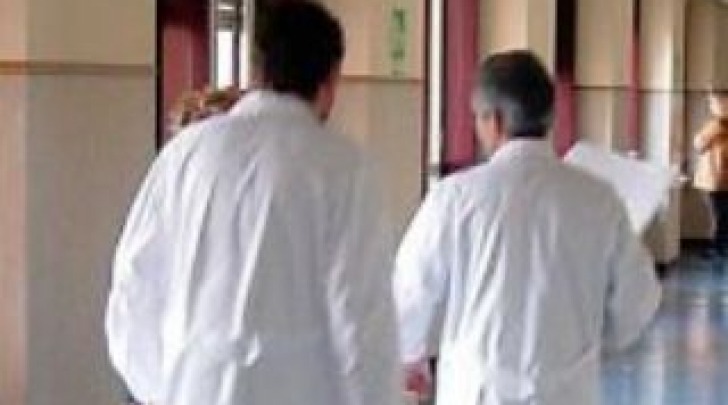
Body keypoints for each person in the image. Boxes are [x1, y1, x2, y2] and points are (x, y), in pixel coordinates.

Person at [105, 2, 403, 405]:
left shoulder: (185, 155)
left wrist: (169, 388)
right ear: (331, 80)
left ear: (256, 69)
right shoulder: (345, 169)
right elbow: (362, 322)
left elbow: (133, 291)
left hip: (193, 389)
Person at [394, 50, 661, 405]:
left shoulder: (453, 199)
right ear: (549, 117)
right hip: (568, 392)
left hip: (479, 391)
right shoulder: (598, 199)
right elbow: (637, 301)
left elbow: (411, 298)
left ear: (494, 121)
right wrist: (589, 342)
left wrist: (413, 358)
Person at [694, 90, 728, 256]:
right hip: (714, 180)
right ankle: (716, 246)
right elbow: (699, 145)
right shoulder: (714, 125)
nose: (713, 106)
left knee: (723, 215)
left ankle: (719, 246)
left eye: (715, 102)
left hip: (721, 178)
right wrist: (718, 126)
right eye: (712, 103)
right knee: (720, 214)